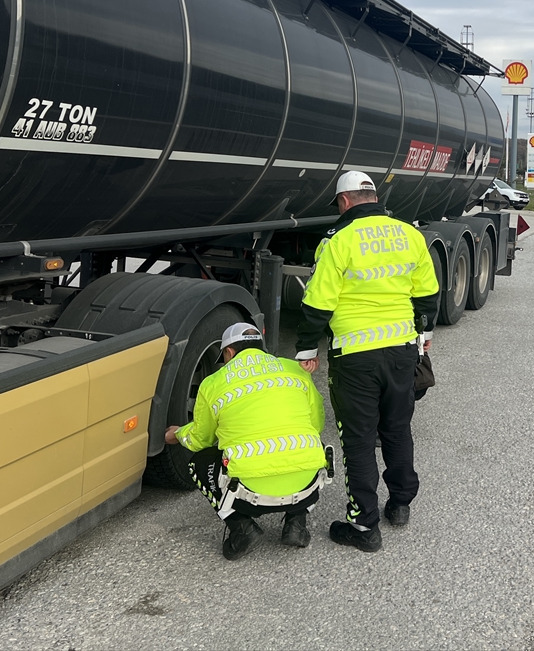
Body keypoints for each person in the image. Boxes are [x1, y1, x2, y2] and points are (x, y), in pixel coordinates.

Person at [295, 170, 440, 552]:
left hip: (355, 357)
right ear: (373, 197)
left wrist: (307, 349)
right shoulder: (410, 234)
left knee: (358, 441)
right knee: (396, 428)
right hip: (402, 351)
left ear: (343, 201)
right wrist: (424, 337)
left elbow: (318, 301)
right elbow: (427, 293)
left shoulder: (338, 240)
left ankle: (363, 526)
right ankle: (400, 504)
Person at [166, 322, 331, 560]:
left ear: (229, 352)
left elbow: (200, 440)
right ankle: (296, 523)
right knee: (304, 446)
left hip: (249, 495)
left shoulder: (214, 383)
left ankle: (242, 528)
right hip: (307, 487)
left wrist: (177, 433)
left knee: (199, 462)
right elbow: (316, 424)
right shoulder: (295, 371)